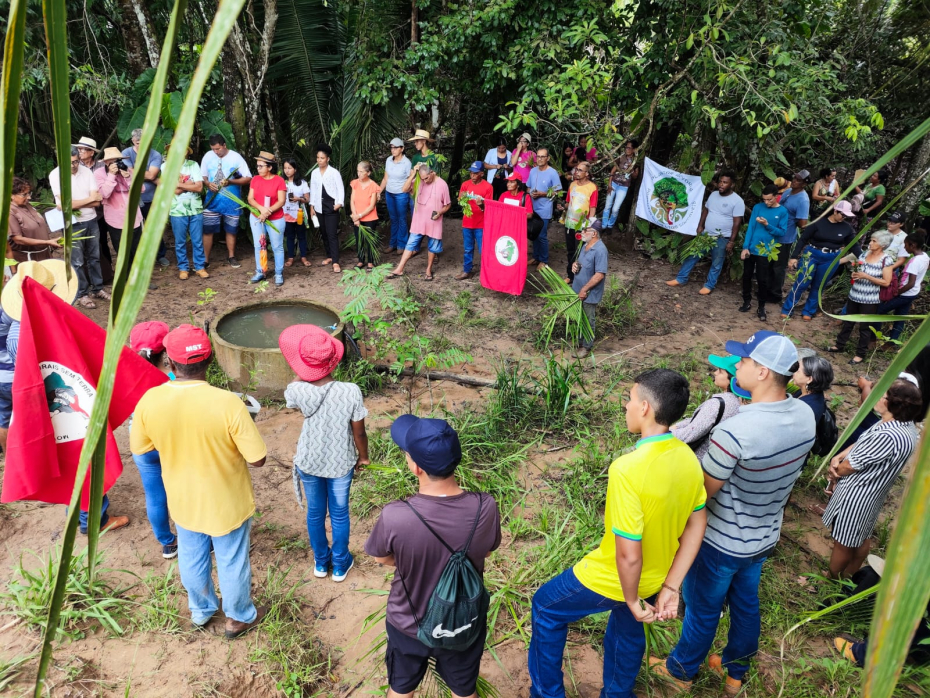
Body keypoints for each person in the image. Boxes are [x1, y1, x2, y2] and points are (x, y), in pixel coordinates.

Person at [653, 331, 815, 696]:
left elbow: (701, 495)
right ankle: (735, 673)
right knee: (745, 605)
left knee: (703, 610)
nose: (737, 366)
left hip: (720, 541)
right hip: (764, 536)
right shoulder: (805, 414)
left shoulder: (735, 431)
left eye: (743, 360)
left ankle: (680, 671)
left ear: (762, 372)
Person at [529, 369, 706, 698]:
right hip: (656, 577)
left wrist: (630, 597)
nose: (626, 405)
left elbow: (628, 554)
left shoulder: (628, 469)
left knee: (545, 607)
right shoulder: (687, 457)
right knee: (628, 629)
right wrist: (671, 586)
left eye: (630, 398)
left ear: (645, 408)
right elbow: (697, 525)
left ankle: (546, 694)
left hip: (613, 577)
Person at [130, 324, 268, 638]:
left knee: (191, 555)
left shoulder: (150, 400)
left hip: (183, 499)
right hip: (227, 501)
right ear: (210, 360)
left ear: (169, 362)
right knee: (231, 559)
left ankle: (202, 610)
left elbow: (141, 448)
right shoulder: (228, 403)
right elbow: (257, 459)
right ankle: (238, 618)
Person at [365, 415, 501, 698]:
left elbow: (382, 558)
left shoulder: (396, 515)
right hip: (464, 623)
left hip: (408, 624)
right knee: (464, 691)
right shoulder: (485, 506)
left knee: (400, 689)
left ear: (416, 467)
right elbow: (487, 550)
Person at [0, 261, 126, 533]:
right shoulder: (26, 333)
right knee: (82, 451)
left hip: (38, 392)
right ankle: (93, 521)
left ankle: (77, 512)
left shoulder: (18, 321)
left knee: (69, 454)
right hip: (50, 397)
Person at [280, 325, 368, 582]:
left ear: (304, 365)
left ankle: (321, 562)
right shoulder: (350, 390)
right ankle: (339, 564)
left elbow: (292, 390)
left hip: (310, 461)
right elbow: (359, 432)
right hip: (340, 462)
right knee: (339, 514)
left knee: (315, 513)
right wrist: (363, 457)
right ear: (333, 361)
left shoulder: (298, 390)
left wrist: (302, 371)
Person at [822, 377, 920, 578]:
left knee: (842, 542)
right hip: (873, 494)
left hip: (856, 495)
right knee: (861, 536)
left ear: (893, 403)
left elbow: (851, 465)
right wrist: (840, 455)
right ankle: (850, 574)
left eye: (882, 395)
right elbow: (863, 443)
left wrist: (836, 471)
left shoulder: (888, 435)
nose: (875, 397)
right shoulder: (903, 425)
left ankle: (830, 579)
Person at [128, 321, 177, 558]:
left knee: (155, 496)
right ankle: (196, 538)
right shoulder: (173, 379)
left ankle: (167, 543)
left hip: (142, 444)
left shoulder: (126, 378)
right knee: (183, 490)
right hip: (171, 443)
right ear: (165, 350)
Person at [666, 171, 744, 295]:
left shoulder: (737, 201)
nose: (721, 184)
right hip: (706, 234)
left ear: (732, 185)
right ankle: (681, 279)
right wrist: (700, 225)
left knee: (717, 263)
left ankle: (709, 285)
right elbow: (706, 210)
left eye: (725, 182)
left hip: (722, 237)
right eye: (720, 181)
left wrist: (731, 241)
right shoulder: (713, 195)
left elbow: (737, 223)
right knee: (692, 255)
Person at [49, 147, 108, 309]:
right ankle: (82, 293)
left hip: (91, 219)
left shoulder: (86, 172)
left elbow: (97, 201)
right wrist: (88, 200)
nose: (73, 166)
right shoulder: (55, 175)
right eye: (69, 163)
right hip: (72, 223)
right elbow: (64, 206)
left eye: (76, 162)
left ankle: (97, 288)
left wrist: (74, 203)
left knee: (94, 257)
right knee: (77, 260)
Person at [781, 200, 859, 320]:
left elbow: (854, 246)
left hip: (831, 258)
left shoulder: (846, 228)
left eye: (846, 216)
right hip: (812, 254)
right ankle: (788, 309)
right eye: (842, 214)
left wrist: (864, 258)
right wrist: (794, 257)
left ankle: (808, 311)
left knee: (818, 286)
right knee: (802, 283)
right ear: (835, 211)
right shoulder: (818, 222)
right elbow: (803, 239)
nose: (844, 218)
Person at [829, 231, 894, 365]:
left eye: (874, 241)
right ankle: (839, 345)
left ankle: (860, 354)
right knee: (848, 322)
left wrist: (866, 276)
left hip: (870, 299)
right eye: (871, 240)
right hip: (855, 294)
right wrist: (855, 274)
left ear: (882, 245)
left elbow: (886, 282)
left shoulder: (886, 260)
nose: (870, 243)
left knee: (865, 327)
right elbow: (859, 270)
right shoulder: (864, 254)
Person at [671, 354, 742, 460]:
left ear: (732, 379)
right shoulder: (740, 402)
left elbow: (689, 434)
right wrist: (678, 426)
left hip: (698, 461)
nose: (715, 372)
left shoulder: (716, 404)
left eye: (720, 371)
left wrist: (662, 434)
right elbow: (701, 419)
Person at [389, 164, 451, 281]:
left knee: (432, 246)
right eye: (422, 179)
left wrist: (440, 212)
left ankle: (428, 270)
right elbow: (404, 189)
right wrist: (413, 174)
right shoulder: (419, 181)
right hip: (419, 221)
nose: (425, 181)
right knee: (410, 244)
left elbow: (447, 205)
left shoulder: (442, 184)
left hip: (434, 221)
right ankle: (399, 268)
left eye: (426, 178)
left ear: (432, 173)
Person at [200, 133, 253, 267]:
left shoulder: (236, 157)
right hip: (212, 201)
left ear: (224, 145)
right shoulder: (208, 156)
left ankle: (231, 256)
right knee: (208, 230)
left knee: (231, 230)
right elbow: (203, 176)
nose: (215, 152)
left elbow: (248, 178)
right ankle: (205, 260)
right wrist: (208, 184)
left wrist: (231, 182)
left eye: (218, 149)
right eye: (213, 149)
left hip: (232, 202)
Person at [740, 184, 788, 320]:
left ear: (776, 197)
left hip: (766, 250)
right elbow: (751, 227)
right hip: (752, 248)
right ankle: (746, 301)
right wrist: (745, 247)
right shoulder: (757, 207)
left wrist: (767, 225)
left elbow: (782, 232)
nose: (766, 202)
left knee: (762, 279)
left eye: (769, 199)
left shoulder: (782, 211)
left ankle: (761, 307)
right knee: (746, 276)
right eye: (764, 199)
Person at [122, 128, 169, 266]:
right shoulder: (126, 153)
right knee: (134, 229)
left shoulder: (155, 154)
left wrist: (133, 171)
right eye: (138, 143)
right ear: (133, 141)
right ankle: (139, 258)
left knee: (154, 227)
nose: (141, 145)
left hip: (151, 197)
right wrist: (146, 174)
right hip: (131, 198)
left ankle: (160, 255)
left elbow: (151, 175)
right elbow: (127, 174)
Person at [95, 146, 145, 270]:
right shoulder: (99, 173)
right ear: (106, 162)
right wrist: (111, 175)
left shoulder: (127, 170)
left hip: (134, 217)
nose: (116, 164)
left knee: (137, 249)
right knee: (122, 251)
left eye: (117, 160)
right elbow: (104, 194)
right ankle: (126, 277)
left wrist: (128, 178)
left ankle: (138, 276)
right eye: (112, 161)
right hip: (115, 219)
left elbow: (141, 189)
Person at [163, 144, 207, 280]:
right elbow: (173, 191)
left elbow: (199, 188)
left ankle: (200, 267)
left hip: (195, 208)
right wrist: (190, 184)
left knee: (197, 240)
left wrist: (178, 184)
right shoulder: (165, 166)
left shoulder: (193, 165)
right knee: (180, 241)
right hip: (177, 210)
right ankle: (183, 268)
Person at [877, 230, 928, 344]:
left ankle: (874, 337)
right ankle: (892, 342)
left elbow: (911, 283)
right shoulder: (924, 256)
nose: (904, 247)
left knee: (879, 311)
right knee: (900, 317)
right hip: (913, 293)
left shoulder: (915, 262)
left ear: (912, 245)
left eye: (905, 245)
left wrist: (896, 293)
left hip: (905, 294)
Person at [769, 170, 811, 303]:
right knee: (769, 263)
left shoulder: (803, 200)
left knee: (778, 267)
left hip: (785, 237)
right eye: (795, 178)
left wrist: (790, 220)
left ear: (804, 184)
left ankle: (775, 294)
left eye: (798, 180)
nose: (794, 181)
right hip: (773, 233)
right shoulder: (788, 191)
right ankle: (767, 289)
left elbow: (803, 223)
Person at [247, 151, 287, 286]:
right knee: (258, 245)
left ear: (269, 167)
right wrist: (261, 209)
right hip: (256, 217)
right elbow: (250, 198)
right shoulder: (255, 179)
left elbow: (281, 201)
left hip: (275, 218)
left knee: (277, 246)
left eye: (261, 166)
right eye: (257, 166)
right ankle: (260, 271)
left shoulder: (279, 180)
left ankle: (278, 273)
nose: (258, 168)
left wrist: (267, 212)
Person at [571, 221, 608, 359]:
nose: (582, 232)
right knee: (580, 318)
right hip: (579, 289)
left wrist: (585, 289)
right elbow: (581, 263)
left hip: (589, 293)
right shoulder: (585, 245)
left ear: (594, 233)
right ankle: (581, 342)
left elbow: (600, 274)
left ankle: (586, 347)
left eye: (585, 230)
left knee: (587, 320)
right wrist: (575, 265)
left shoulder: (600, 250)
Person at [308, 143, 345, 273]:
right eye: (318, 157)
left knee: (331, 233)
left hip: (331, 205)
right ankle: (329, 256)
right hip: (319, 205)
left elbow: (340, 188)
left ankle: (335, 261)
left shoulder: (334, 172)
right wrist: (312, 206)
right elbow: (313, 190)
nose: (319, 160)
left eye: (322, 158)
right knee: (323, 233)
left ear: (327, 159)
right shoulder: (314, 173)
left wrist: (339, 203)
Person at [561, 161, 598, 283]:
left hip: (582, 225)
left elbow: (592, 208)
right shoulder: (572, 185)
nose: (576, 172)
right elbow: (568, 203)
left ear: (587, 173)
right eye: (576, 169)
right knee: (571, 250)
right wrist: (562, 206)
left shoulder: (592, 188)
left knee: (580, 251)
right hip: (569, 223)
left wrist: (589, 226)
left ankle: (580, 277)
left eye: (580, 170)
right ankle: (570, 276)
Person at [8, 177, 61, 263]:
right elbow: (18, 239)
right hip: (28, 259)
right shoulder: (10, 212)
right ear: (11, 195)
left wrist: (49, 243)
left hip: (44, 253)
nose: (29, 197)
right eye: (24, 194)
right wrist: (47, 242)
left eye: (29, 193)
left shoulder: (27, 205)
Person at [526, 148, 562, 270]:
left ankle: (544, 260)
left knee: (541, 235)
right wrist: (531, 193)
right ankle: (536, 257)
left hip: (545, 208)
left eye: (542, 156)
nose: (540, 159)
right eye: (538, 156)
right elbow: (528, 188)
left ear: (548, 158)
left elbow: (558, 192)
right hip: (532, 208)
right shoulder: (532, 171)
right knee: (533, 233)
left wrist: (542, 194)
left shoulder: (553, 173)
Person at [457, 161, 493, 280]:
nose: (472, 175)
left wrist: (481, 205)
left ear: (482, 173)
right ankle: (467, 271)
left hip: (481, 224)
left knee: (483, 249)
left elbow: (489, 207)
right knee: (468, 249)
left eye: (476, 173)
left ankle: (486, 273)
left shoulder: (488, 187)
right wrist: (461, 199)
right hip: (467, 222)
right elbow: (460, 201)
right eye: (471, 173)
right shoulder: (465, 185)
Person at [379, 138, 412, 255]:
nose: (393, 150)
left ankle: (401, 244)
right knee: (393, 219)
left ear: (402, 149)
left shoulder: (407, 163)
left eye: (396, 147)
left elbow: (410, 180)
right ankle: (392, 244)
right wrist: (379, 191)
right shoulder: (388, 160)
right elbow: (385, 178)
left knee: (402, 219)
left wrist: (408, 192)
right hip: (389, 193)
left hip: (401, 194)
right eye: (391, 147)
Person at [601, 140, 639, 232]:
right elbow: (612, 171)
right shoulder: (621, 157)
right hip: (614, 183)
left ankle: (610, 225)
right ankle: (604, 225)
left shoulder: (636, 161)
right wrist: (609, 184)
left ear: (634, 149)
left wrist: (631, 168)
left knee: (615, 208)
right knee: (607, 206)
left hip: (623, 187)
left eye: (629, 148)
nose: (627, 149)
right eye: (626, 147)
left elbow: (635, 176)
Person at [350, 161, 380, 271]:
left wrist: (359, 216)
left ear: (368, 173)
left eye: (362, 172)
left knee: (369, 240)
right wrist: (355, 216)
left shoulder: (373, 186)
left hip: (370, 217)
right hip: (356, 216)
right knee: (359, 239)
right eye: (358, 171)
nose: (359, 174)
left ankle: (371, 262)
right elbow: (352, 201)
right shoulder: (355, 183)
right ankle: (361, 260)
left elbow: (372, 206)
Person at [282, 158, 310, 267]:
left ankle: (303, 257)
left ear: (295, 169)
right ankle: (290, 258)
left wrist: (299, 198)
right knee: (290, 236)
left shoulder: (302, 183)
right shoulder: (282, 182)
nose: (287, 170)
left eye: (289, 168)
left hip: (299, 214)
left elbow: (307, 199)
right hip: (286, 214)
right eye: (285, 168)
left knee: (301, 236)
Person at [792, 355, 834, 424]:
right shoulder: (809, 392)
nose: (794, 373)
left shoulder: (806, 409)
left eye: (798, 371)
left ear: (809, 379)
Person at [484, 136, 512, 201]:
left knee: (501, 198)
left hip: (503, 180)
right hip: (493, 179)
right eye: (499, 148)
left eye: (503, 148)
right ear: (497, 146)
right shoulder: (491, 152)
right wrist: (495, 166)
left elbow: (511, 167)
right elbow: (485, 165)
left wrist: (507, 167)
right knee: (490, 197)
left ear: (506, 146)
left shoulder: (509, 154)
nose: (501, 150)